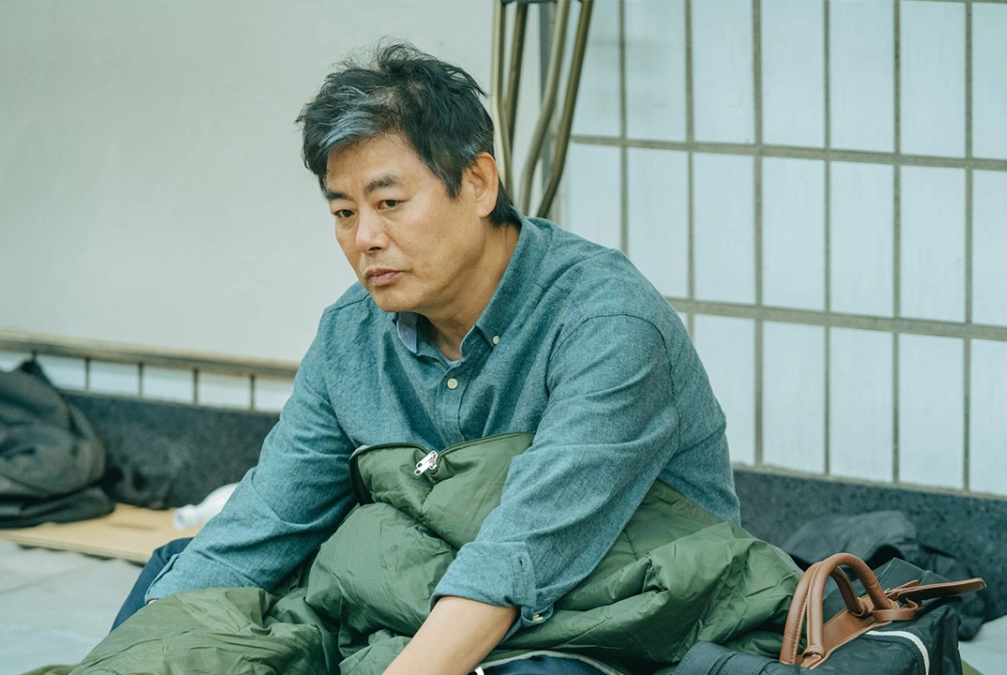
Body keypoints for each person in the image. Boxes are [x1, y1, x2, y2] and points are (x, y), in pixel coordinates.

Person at [115, 43, 740, 675]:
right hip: (416, 602)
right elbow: (269, 519)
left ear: (478, 184)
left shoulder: (607, 324)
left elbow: (519, 556)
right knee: (181, 579)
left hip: (606, 619)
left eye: (389, 203)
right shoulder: (352, 334)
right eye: (344, 212)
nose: (365, 238)